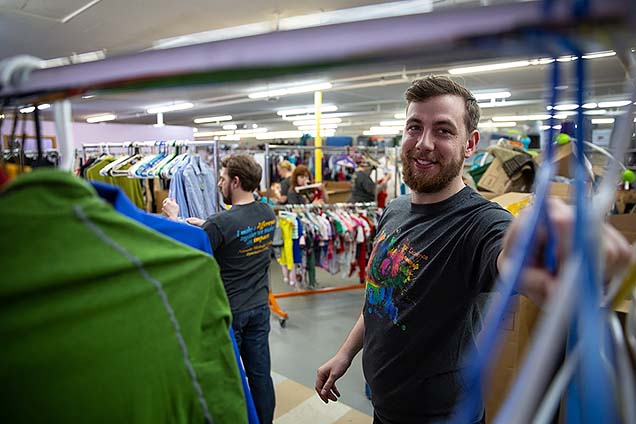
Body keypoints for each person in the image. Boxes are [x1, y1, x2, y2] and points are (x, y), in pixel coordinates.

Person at [314, 75, 631, 424]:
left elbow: (511, 256)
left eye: (444, 131)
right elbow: (380, 296)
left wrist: (555, 253)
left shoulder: (480, 224)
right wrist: (345, 354)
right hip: (384, 408)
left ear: (470, 144)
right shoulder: (396, 208)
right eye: (414, 127)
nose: (423, 143)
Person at [163, 154, 277, 424]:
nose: (219, 184)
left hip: (230, 311)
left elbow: (190, 252)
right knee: (260, 375)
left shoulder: (221, 223)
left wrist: (173, 219)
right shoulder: (267, 213)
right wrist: (205, 226)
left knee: (230, 378)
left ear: (235, 181)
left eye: (223, 178)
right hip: (260, 307)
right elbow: (239, 233)